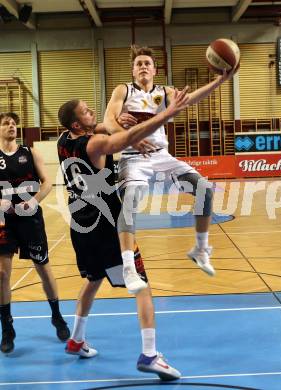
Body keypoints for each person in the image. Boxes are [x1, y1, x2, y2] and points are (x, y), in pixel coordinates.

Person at [57, 91, 188, 380]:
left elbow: (103, 127)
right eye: (87, 111)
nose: (93, 112)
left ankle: (76, 339)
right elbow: (122, 140)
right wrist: (165, 115)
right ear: (77, 125)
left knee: (93, 279)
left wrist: (116, 120)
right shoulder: (96, 145)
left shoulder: (63, 141)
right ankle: (150, 354)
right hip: (107, 227)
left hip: (80, 225)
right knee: (141, 284)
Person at [103, 45, 237, 294]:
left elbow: (191, 98)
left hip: (162, 156)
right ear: (133, 70)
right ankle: (128, 268)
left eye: (147, 63)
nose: (143, 66)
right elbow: (108, 121)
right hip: (133, 157)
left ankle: (200, 249)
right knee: (130, 202)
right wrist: (128, 137)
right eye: (139, 63)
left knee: (204, 191)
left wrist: (219, 81)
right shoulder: (123, 90)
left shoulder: (163, 92)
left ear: (155, 69)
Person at [0, 112, 70, 354]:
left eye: (13, 123)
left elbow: (47, 182)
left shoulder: (29, 152)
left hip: (30, 219)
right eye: (6, 123)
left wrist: (35, 201)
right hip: (3, 221)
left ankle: (57, 316)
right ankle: (7, 328)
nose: (11, 126)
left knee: (43, 268)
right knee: (1, 273)